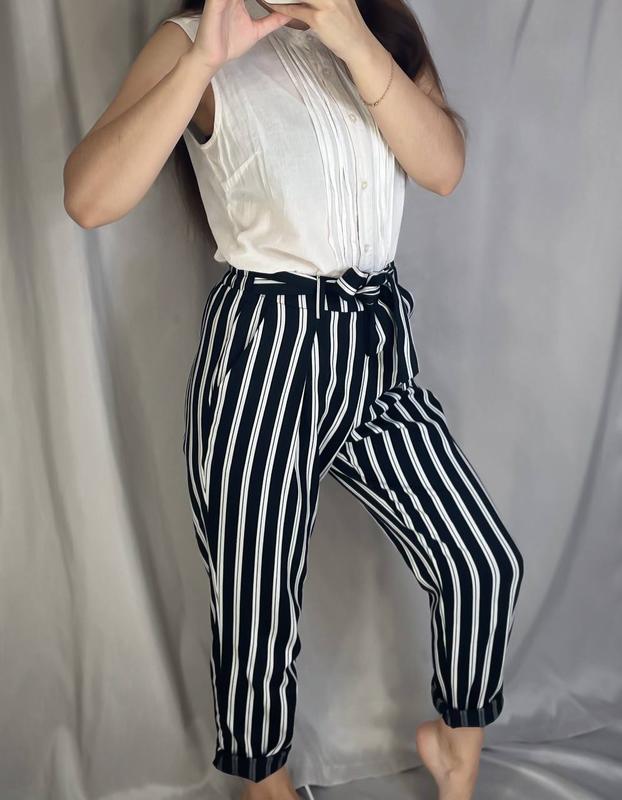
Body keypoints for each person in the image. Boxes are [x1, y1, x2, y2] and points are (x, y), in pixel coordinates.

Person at [63, 1, 525, 798]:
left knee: (479, 560)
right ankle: (265, 783)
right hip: (265, 350)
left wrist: (354, 40)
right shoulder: (191, 38)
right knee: (256, 601)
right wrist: (203, 62)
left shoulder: (380, 26)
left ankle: (456, 750)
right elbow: (89, 197)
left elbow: (444, 167)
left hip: (375, 343)